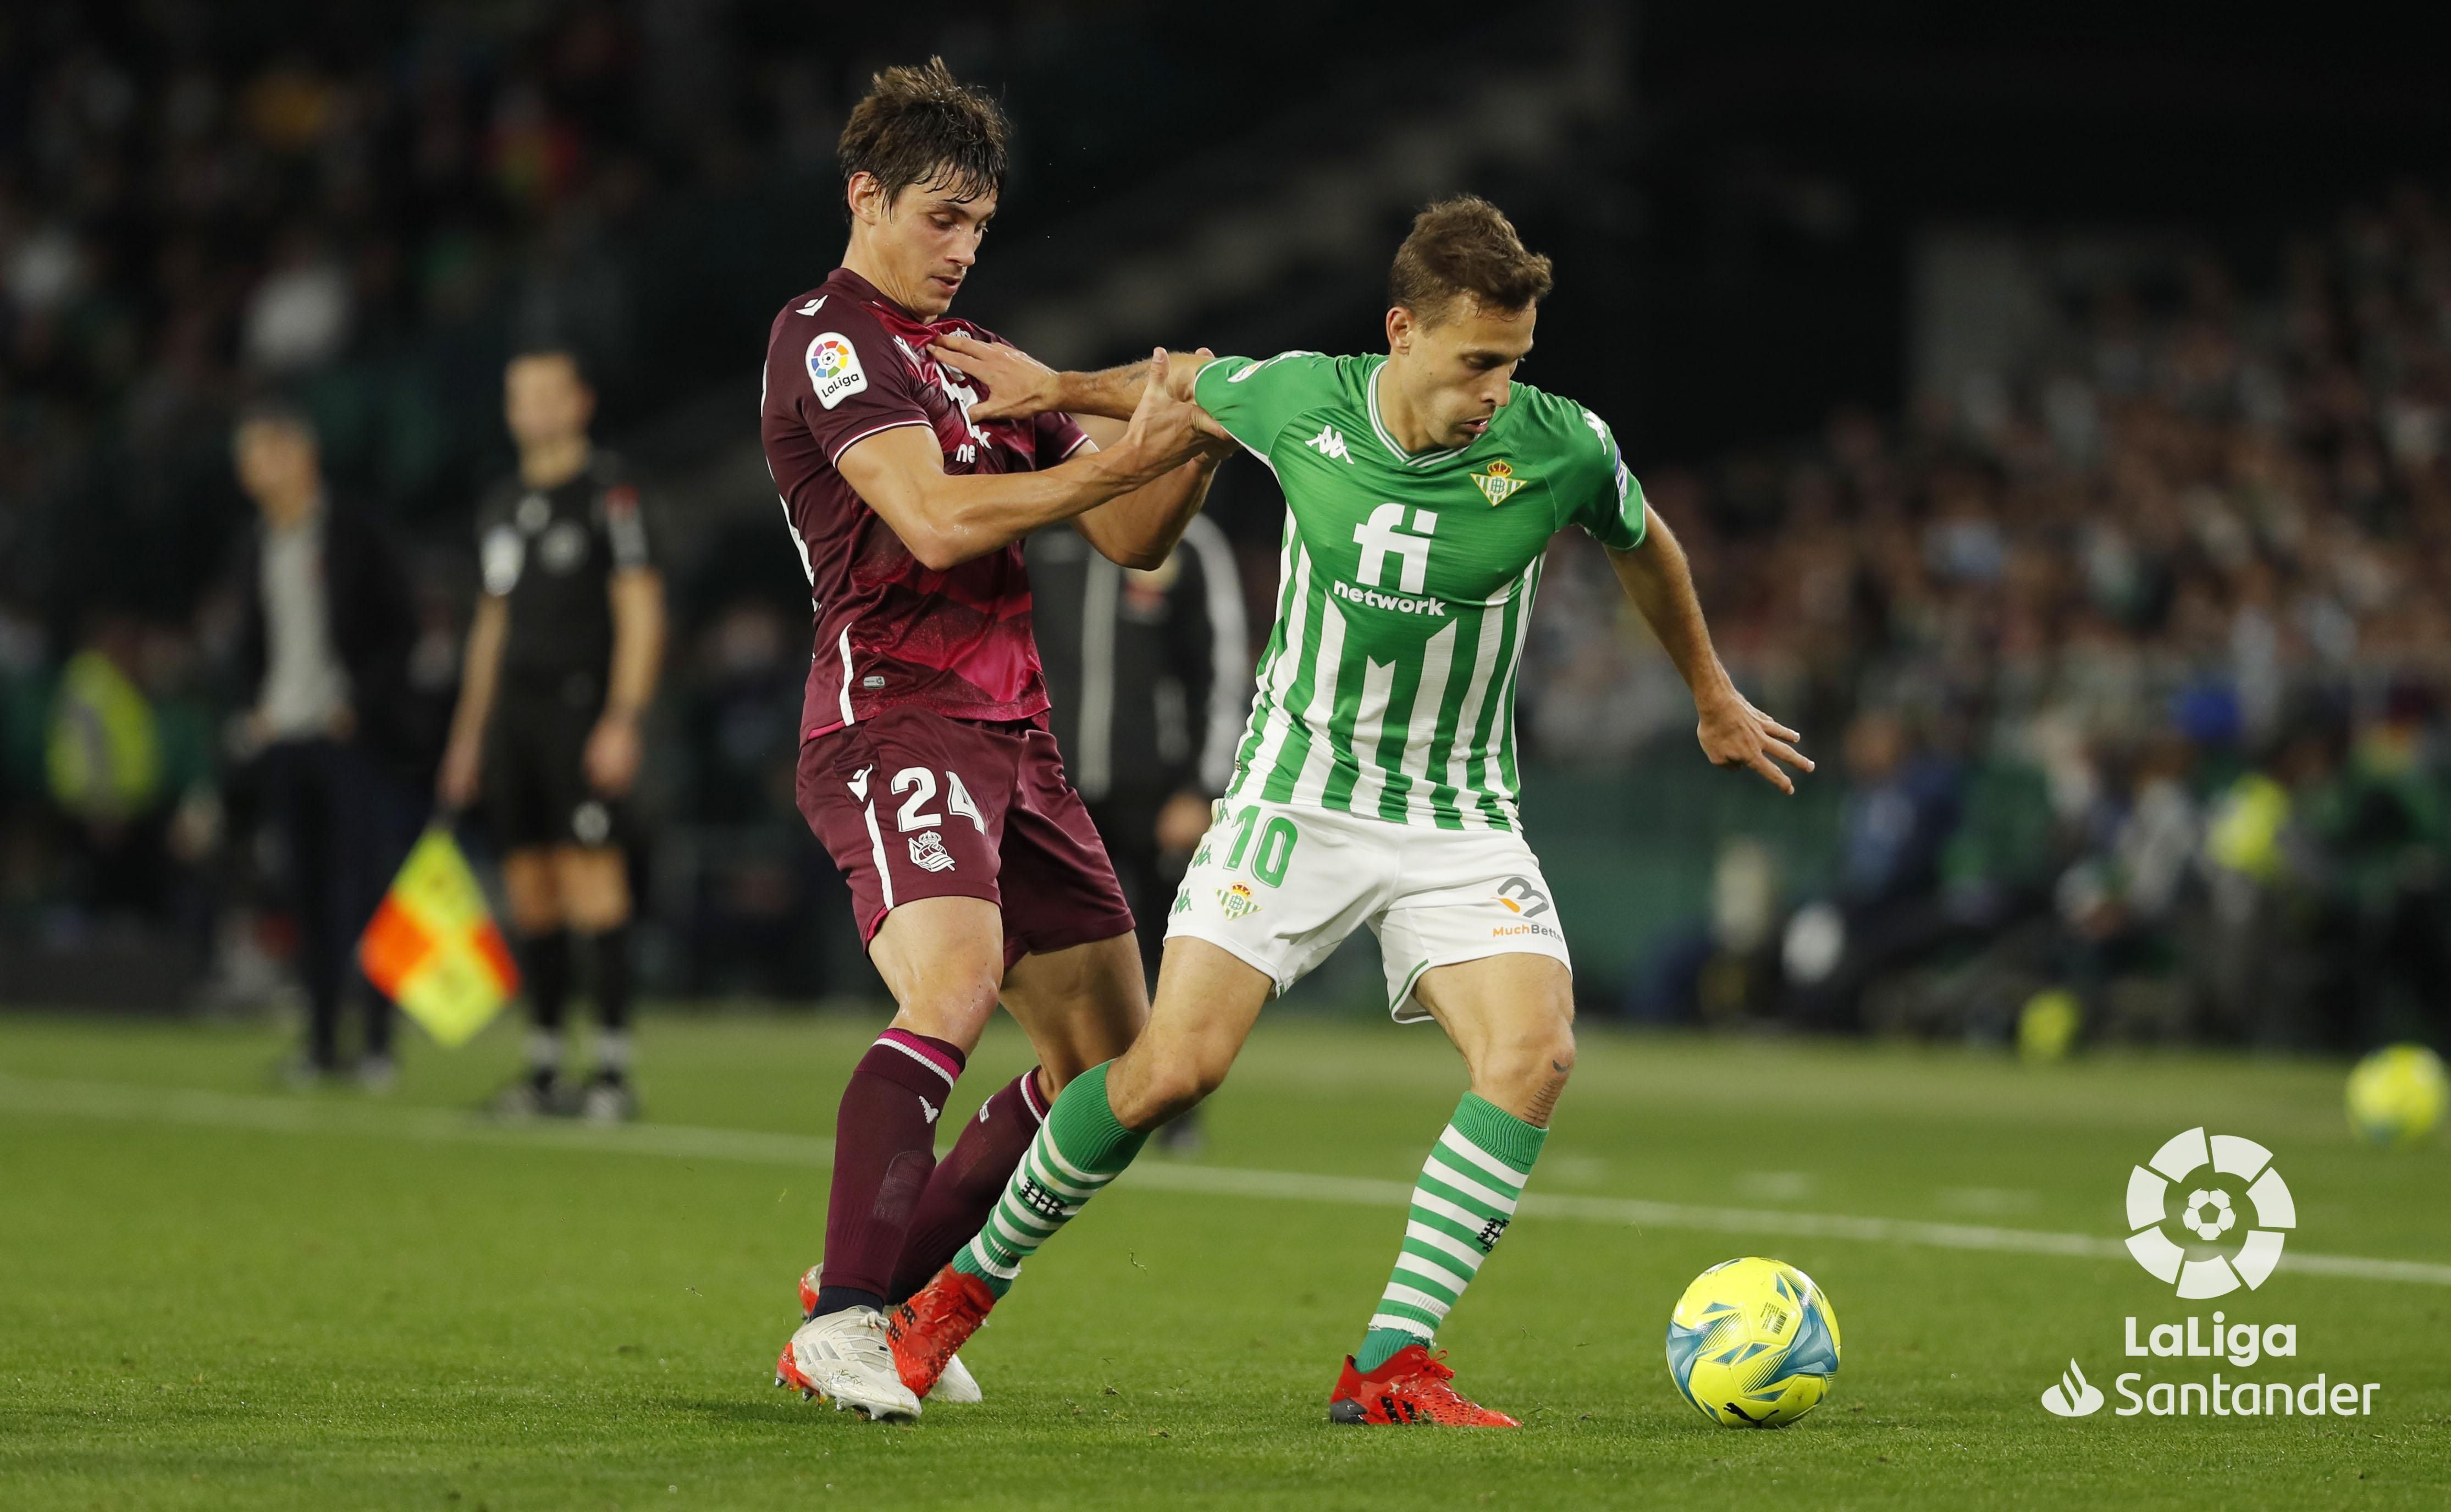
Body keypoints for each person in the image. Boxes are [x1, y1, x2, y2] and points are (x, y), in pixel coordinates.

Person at [894, 197, 1813, 1426]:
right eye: (1477, 359)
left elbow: (1651, 548)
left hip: (1458, 816)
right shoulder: (1302, 400)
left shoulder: (1563, 448)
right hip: (1296, 796)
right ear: (1403, 332)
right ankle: (949, 1299)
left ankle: (1390, 1361)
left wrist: (1711, 693)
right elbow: (1188, 381)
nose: (1497, 388)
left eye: (1514, 361)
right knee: (1171, 1071)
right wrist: (1056, 381)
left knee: (1533, 1054)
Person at [759, 59, 1226, 1422]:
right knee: (952, 984)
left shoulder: (979, 362)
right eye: (939, 217)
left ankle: (876, 1290)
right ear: (865, 196)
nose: (962, 250)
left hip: (1015, 735)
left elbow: (1133, 540)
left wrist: (1184, 432)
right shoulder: (828, 336)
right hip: (890, 709)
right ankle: (848, 1317)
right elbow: (937, 522)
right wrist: (1124, 441)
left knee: (1115, 1067)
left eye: (980, 223)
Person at [437, 347, 666, 1121]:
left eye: (544, 392)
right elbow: (490, 626)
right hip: (514, 720)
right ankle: (541, 1067)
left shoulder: (610, 494)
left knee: (593, 881)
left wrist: (624, 718)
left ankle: (609, 1070)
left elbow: (640, 609)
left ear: (579, 402)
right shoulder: (501, 504)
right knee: (530, 887)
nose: (530, 407)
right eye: (517, 395)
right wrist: (468, 737)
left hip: (581, 709)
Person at [1025, 509, 1249, 1152]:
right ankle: (1073, 1100)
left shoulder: (1185, 538)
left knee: (1166, 954)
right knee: (1063, 956)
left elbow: (1222, 670)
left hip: (1156, 793)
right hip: (1053, 785)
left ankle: (1176, 1111)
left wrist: (1203, 788)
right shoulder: (1042, 533)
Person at [230, 401, 430, 1088]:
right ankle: (319, 1044)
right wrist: (257, 707)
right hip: (287, 737)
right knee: (306, 894)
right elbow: (253, 643)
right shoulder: (259, 540)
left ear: (299, 454)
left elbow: (402, 629)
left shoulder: (353, 532)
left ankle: (378, 1041)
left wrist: (360, 704)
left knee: (370, 891)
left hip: (352, 740)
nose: (249, 469)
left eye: (260, 452)